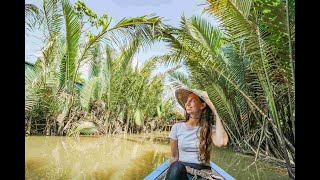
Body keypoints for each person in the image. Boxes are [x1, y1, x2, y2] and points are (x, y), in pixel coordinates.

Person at [165, 87, 229, 180]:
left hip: (202, 174)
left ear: (202, 105)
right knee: (176, 166)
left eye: (192, 100)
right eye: (187, 101)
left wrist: (214, 110)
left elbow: (222, 142)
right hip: (182, 172)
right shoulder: (177, 127)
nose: (187, 103)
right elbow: (174, 157)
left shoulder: (209, 128)